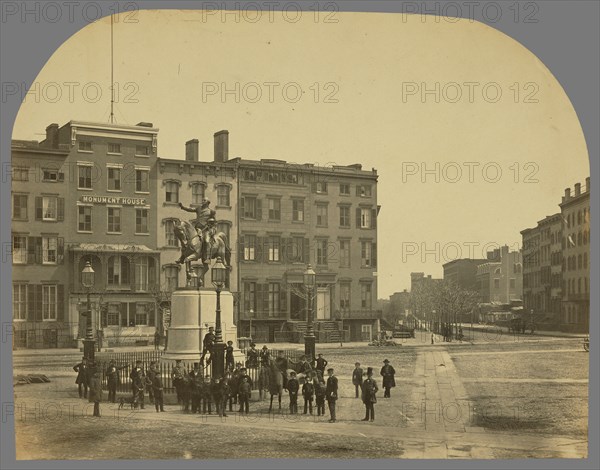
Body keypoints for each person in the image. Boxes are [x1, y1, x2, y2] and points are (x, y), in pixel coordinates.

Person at [178, 198, 217, 263]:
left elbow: (214, 221)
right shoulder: (199, 208)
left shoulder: (211, 211)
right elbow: (190, 209)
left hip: (205, 229)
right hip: (197, 228)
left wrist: (211, 224)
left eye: (204, 200)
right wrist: (182, 207)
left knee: (206, 241)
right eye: (202, 200)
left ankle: (207, 258)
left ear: (207, 203)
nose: (202, 201)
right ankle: (182, 257)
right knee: (188, 239)